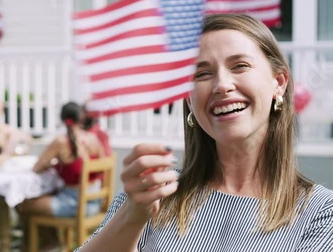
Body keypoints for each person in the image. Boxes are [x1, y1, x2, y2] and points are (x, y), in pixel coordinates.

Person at [77, 14, 333, 251]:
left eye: (240, 65)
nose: (221, 85)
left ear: (279, 83)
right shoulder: (153, 194)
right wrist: (130, 218)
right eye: (202, 73)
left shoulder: (320, 212)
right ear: (189, 100)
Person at [17, 101, 105, 249]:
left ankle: (46, 244)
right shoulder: (93, 139)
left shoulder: (61, 141)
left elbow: (37, 168)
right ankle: (49, 243)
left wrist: (51, 164)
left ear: (64, 120)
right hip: (96, 201)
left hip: (75, 203)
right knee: (42, 199)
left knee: (22, 203)